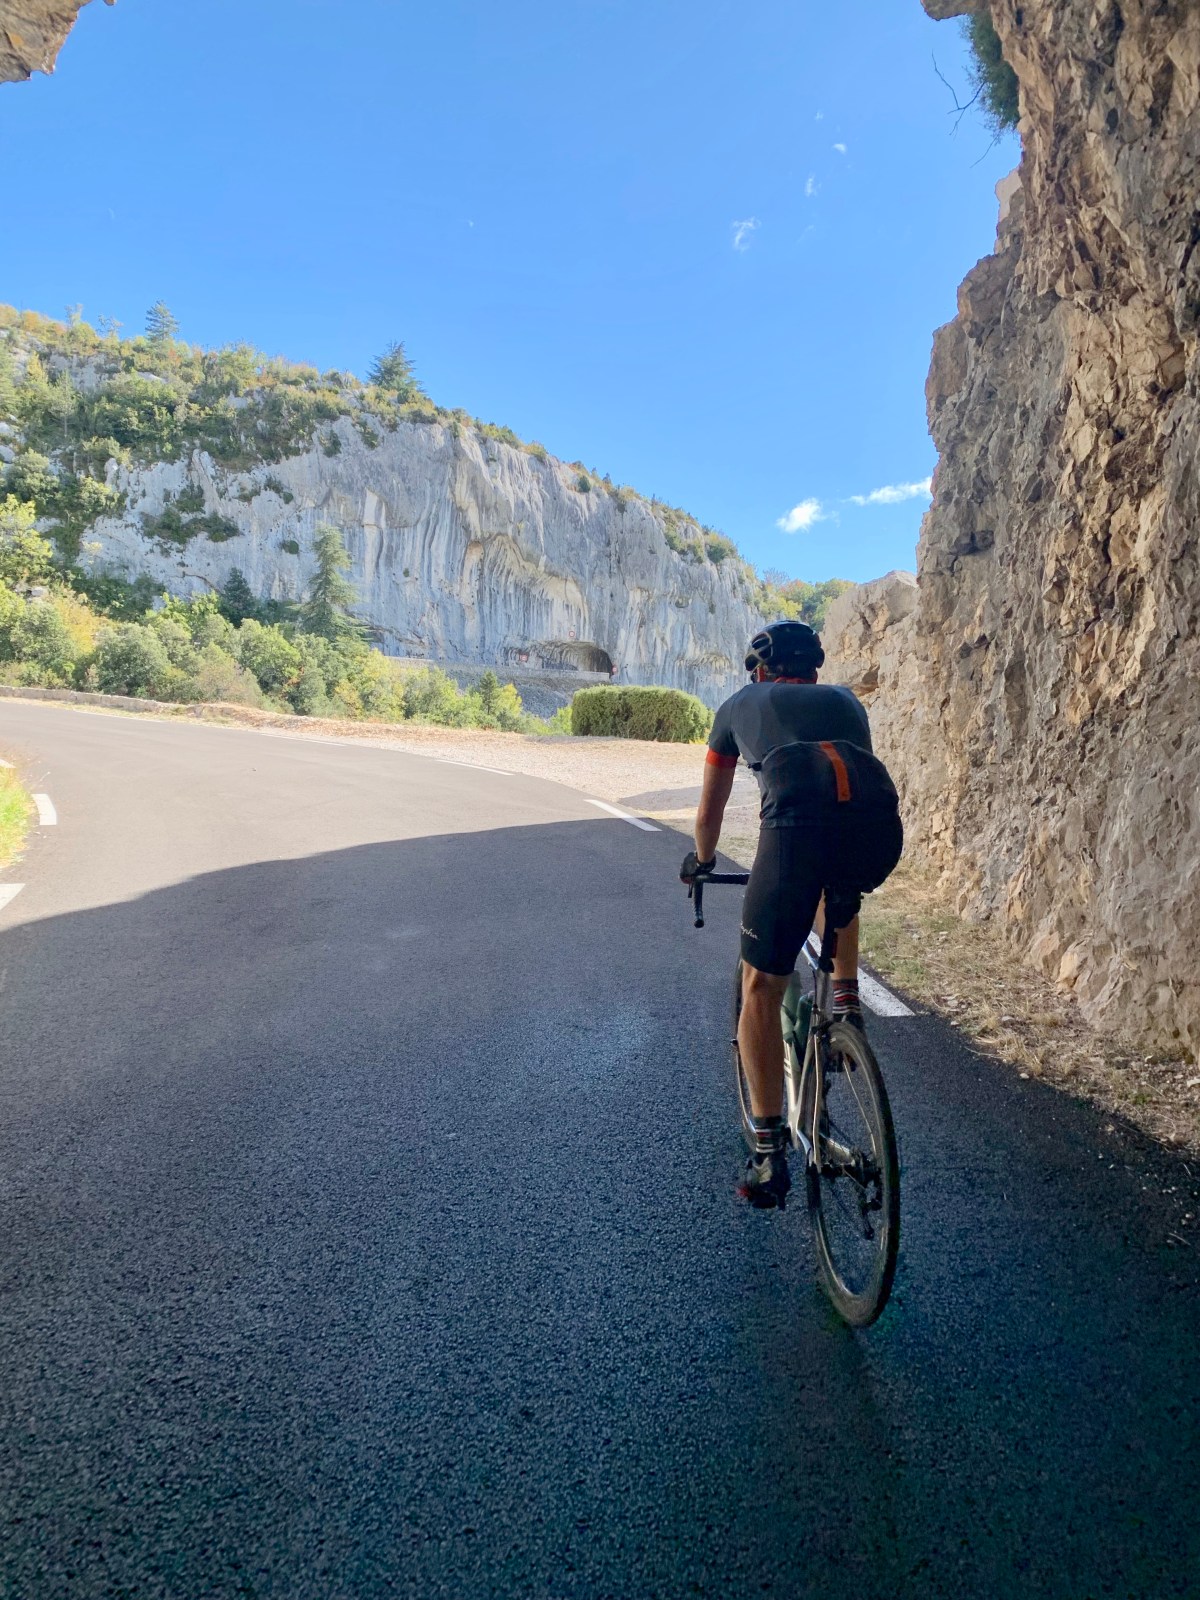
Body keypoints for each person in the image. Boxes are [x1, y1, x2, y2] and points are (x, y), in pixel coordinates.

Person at [680, 620, 879, 1210]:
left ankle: (769, 1153)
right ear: (815, 670)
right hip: (872, 833)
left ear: (761, 669)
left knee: (760, 986)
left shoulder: (739, 703)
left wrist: (703, 860)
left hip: (791, 836)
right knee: (834, 881)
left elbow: (709, 814)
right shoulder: (848, 703)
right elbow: (843, 798)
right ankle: (845, 1000)